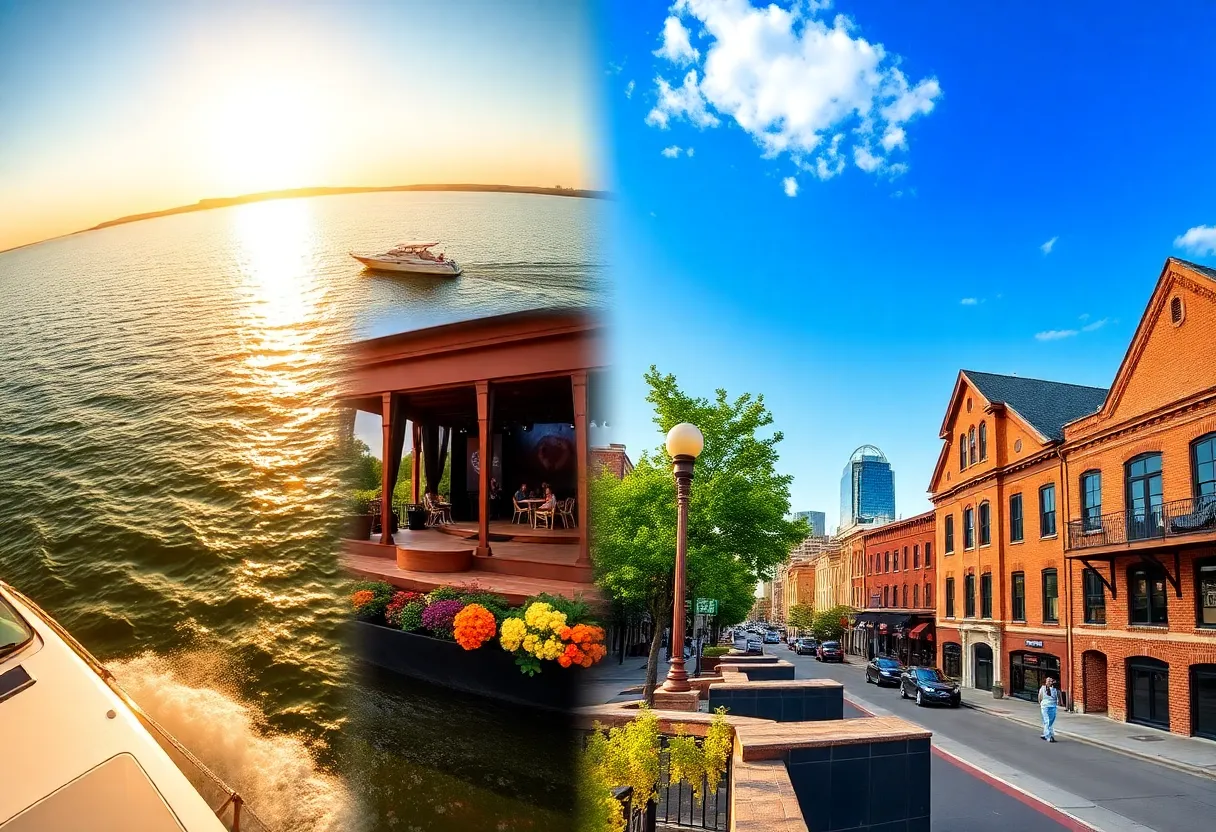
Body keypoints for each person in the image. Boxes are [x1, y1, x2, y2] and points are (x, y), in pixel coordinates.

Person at [1039, 676, 1060, 742]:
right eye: (1048, 681)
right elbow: (1040, 697)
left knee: (1050, 721)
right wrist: (1041, 704)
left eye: (1051, 681)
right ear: (1046, 682)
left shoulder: (1055, 690)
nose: (1049, 682)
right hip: (1045, 706)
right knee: (1047, 720)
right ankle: (1048, 736)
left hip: (1053, 706)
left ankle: (1045, 734)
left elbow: (1057, 698)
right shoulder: (1042, 688)